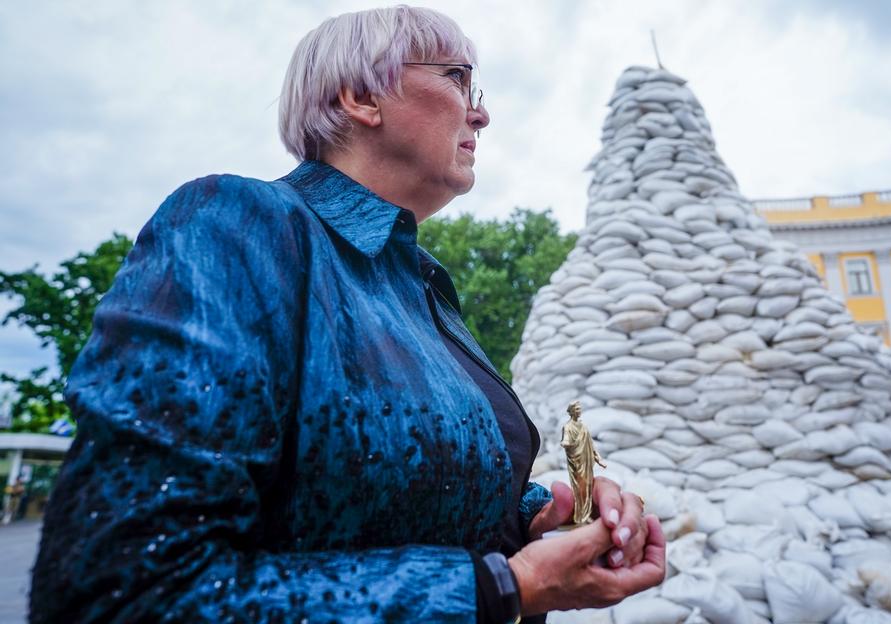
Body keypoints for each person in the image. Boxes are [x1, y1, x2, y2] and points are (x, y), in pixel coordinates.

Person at [30, 6, 665, 623]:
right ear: (363, 96)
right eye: (457, 77)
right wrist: (501, 588)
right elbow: (118, 588)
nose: (482, 110)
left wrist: (545, 512)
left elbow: (391, 476)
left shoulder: (423, 287)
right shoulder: (240, 226)